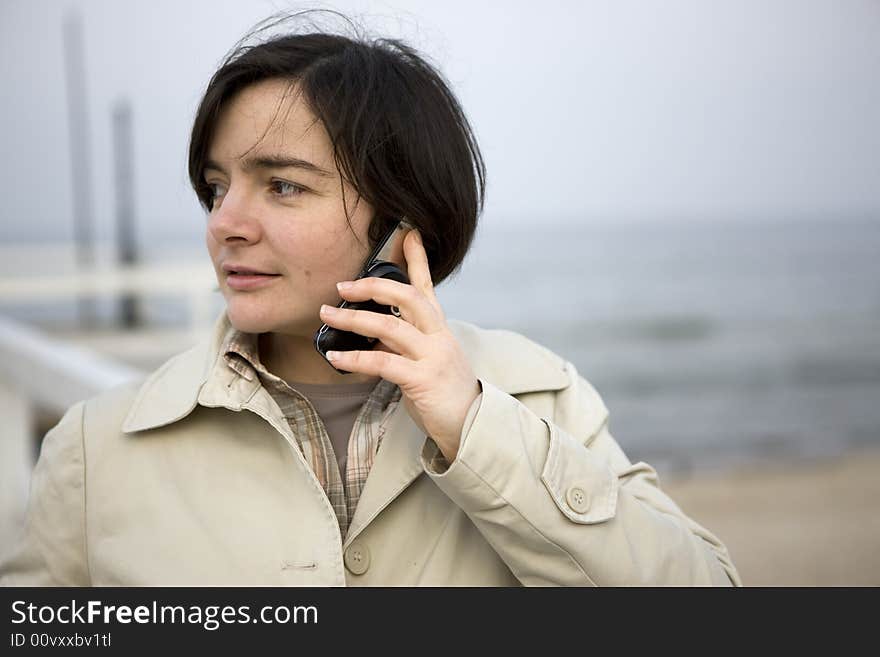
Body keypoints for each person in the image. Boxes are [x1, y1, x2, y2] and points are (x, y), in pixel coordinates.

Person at [0, 13, 740, 586]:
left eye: (283, 185)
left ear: (401, 222)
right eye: (218, 187)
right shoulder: (95, 449)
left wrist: (474, 426)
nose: (225, 224)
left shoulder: (539, 398)